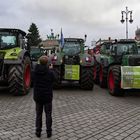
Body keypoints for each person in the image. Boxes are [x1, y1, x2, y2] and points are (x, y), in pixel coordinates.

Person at [33, 55, 55, 138]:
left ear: (39, 62)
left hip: (38, 97)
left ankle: (38, 131)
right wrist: (51, 69)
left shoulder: (35, 72)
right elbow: (54, 79)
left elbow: (32, 79)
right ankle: (49, 132)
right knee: (48, 114)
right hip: (47, 97)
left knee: (38, 114)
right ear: (47, 63)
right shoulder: (50, 72)